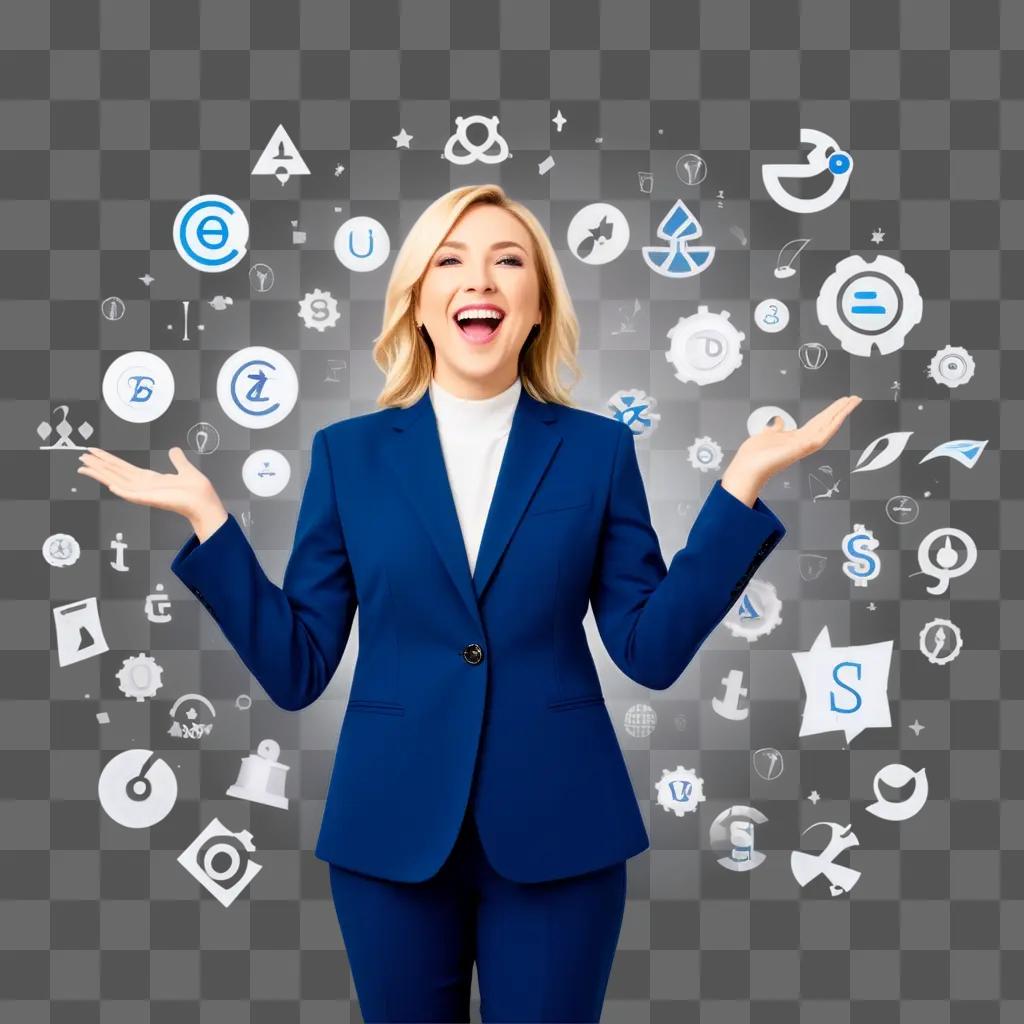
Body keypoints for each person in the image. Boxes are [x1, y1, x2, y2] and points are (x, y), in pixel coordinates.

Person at [78, 183, 861, 1022]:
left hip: (563, 831)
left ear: (535, 306)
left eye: (506, 261)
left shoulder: (598, 451)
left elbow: (649, 649)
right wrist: (211, 523)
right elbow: (298, 668)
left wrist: (738, 488)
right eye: (450, 261)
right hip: (389, 833)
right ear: (418, 302)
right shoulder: (348, 456)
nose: (478, 280)